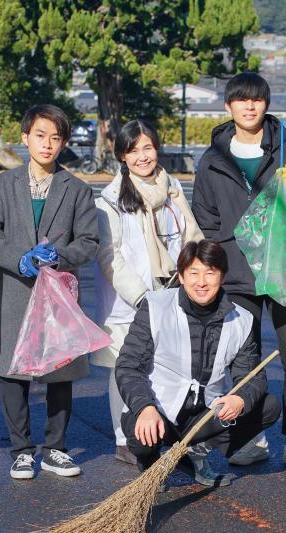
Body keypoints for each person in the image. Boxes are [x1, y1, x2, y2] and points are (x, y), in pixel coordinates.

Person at [192, 72, 286, 471]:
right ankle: (250, 435)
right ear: (229, 106)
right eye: (241, 100)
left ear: (266, 104)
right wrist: (240, 243)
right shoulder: (214, 157)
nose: (249, 107)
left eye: (256, 100)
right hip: (237, 273)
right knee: (243, 360)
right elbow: (206, 213)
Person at [0, 104, 99, 480]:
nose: (47, 144)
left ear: (63, 144)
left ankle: (56, 448)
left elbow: (90, 241)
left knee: (59, 368)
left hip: (58, 293)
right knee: (13, 368)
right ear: (25, 137)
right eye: (40, 135)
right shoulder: (3, 185)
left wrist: (58, 257)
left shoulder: (76, 189)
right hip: (16, 288)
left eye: (56, 138)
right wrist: (19, 260)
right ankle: (22, 449)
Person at [115, 239, 281, 487]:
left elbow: (252, 374)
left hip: (203, 415)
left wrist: (240, 399)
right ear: (181, 276)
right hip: (159, 409)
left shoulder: (242, 319)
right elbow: (128, 365)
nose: (201, 282)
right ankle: (149, 462)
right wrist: (144, 407)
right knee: (142, 439)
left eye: (210, 273)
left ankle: (196, 453)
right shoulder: (157, 306)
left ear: (222, 276)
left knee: (268, 406)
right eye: (193, 273)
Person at [93, 119, 203, 465]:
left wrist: (195, 277)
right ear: (122, 156)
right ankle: (123, 438)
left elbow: (190, 234)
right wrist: (141, 296)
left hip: (171, 291)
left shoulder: (171, 188)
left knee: (165, 364)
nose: (142, 156)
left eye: (148, 147)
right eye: (133, 149)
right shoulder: (110, 199)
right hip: (131, 300)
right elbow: (109, 255)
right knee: (122, 365)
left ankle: (163, 430)